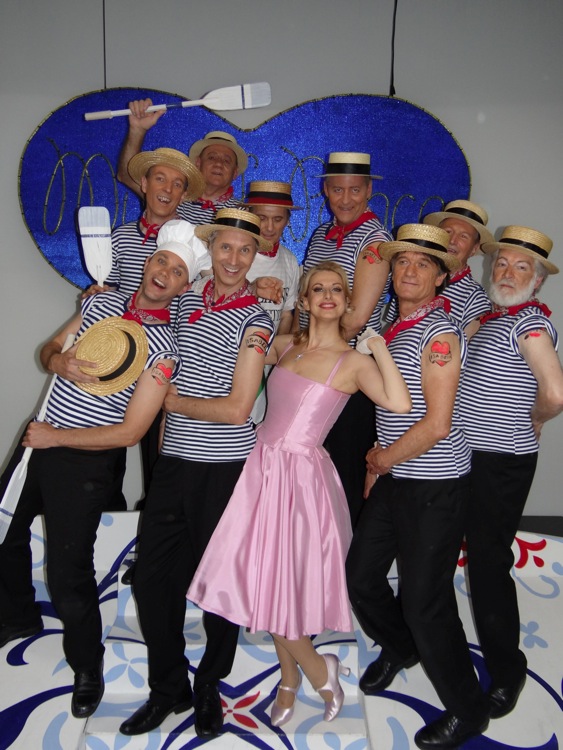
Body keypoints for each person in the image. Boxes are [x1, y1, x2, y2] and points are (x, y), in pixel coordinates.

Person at [187, 260, 411, 728]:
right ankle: (292, 679)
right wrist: (245, 289)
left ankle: (317, 671)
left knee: (277, 583)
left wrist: (378, 347)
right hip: (259, 467)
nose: (327, 295)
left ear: (346, 302)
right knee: (268, 582)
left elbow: (399, 402)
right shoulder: (285, 345)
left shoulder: (354, 363)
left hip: (300, 479)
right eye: (317, 289)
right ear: (304, 300)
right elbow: (235, 338)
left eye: (336, 289)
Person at [0, 235, 208, 719]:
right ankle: (17, 616)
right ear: (148, 263)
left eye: (178, 271)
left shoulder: (165, 351)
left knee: (68, 571)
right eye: (162, 261)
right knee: (5, 531)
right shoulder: (101, 302)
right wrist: (58, 360)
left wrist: (56, 439)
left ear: (183, 287)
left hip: (81, 460)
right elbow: (52, 347)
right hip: (39, 438)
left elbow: (131, 432)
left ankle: (87, 666)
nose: (165, 273)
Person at [119, 209, 275, 740]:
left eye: (244, 250)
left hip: (225, 471)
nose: (234, 259)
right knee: (153, 581)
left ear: (255, 257)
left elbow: (237, 409)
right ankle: (169, 689)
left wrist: (174, 403)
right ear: (212, 251)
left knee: (220, 587)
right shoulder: (188, 299)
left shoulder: (257, 320)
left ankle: (209, 685)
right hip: (174, 465)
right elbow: (147, 315)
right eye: (225, 247)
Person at [346, 223, 490, 750]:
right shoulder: (394, 324)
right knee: (361, 576)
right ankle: (403, 648)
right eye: (402, 261)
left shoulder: (439, 334)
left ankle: (469, 711)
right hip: (394, 477)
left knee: (426, 602)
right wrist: (377, 465)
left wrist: (381, 459)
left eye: (422, 264)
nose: (409, 271)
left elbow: (437, 424)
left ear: (441, 276)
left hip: (434, 484)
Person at [460, 226, 563, 720]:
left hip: (499, 463)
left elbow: (555, 393)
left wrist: (536, 419)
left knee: (487, 564)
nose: (507, 272)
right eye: (501, 263)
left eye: (522, 267)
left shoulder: (531, 324)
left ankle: (507, 671)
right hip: (468, 457)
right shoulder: (497, 319)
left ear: (537, 281)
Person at [300, 152, 392, 526]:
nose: (346, 198)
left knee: (342, 473)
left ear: (369, 190)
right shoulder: (321, 235)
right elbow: (305, 304)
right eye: (337, 189)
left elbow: (355, 321)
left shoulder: (376, 242)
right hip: (315, 369)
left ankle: (345, 555)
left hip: (347, 376)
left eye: (355, 190)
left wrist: (304, 353)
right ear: (326, 190)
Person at [116, 98, 246, 224]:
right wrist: (137, 130)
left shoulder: (243, 213)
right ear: (198, 163)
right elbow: (126, 175)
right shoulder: (173, 196)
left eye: (227, 161)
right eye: (211, 157)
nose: (218, 163)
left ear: (235, 172)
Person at [423, 199, 495, 336]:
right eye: (448, 231)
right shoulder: (414, 276)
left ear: (474, 249)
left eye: (463, 236)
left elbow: (468, 346)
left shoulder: (476, 299)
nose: (452, 240)